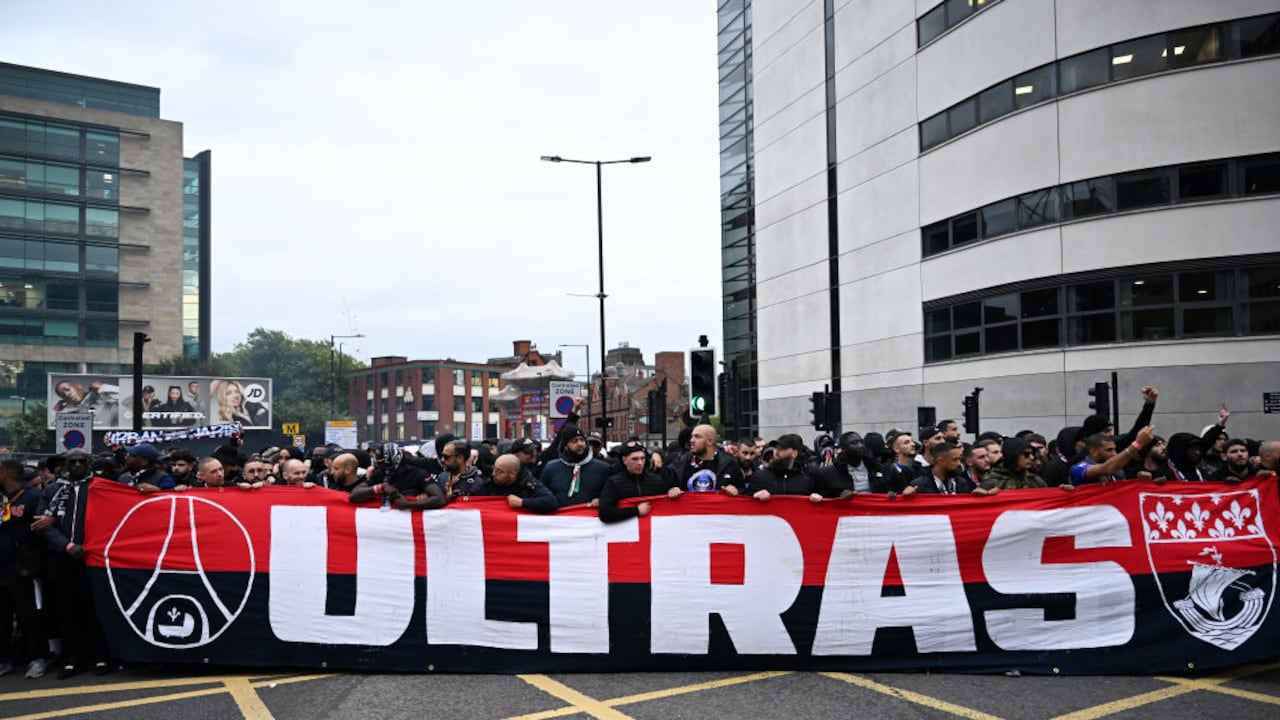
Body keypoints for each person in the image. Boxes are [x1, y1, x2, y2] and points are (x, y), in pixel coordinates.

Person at [33, 451, 111, 679]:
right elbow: (42, 524)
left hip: (92, 558)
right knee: (66, 610)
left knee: (94, 608)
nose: (77, 465)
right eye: (72, 462)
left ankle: (100, 656)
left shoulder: (99, 488)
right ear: (65, 465)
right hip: (62, 558)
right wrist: (67, 545)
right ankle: (73, 659)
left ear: (89, 464)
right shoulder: (52, 490)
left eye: (82, 462)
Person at [0, 459, 48, 679]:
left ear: (5, 474)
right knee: (2, 615)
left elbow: (42, 531)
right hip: (2, 565)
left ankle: (37, 658)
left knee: (28, 613)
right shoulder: (2, 498)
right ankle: (4, 660)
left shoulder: (33, 496)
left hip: (25, 568)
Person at [351, 442, 445, 509]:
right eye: (379, 465)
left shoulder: (418, 474)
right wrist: (380, 488)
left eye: (385, 465)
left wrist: (407, 504)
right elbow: (354, 495)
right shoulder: (379, 473)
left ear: (396, 462)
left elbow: (439, 498)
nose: (382, 469)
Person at [542, 424, 613, 507]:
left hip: (590, 517)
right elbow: (542, 496)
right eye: (574, 441)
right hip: (560, 517)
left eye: (582, 440)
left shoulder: (603, 468)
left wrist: (602, 500)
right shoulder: (551, 468)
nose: (580, 444)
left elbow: (613, 495)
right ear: (565, 446)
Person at [665, 424, 743, 498]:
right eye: (692, 437)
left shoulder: (729, 464)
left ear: (710, 441)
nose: (692, 440)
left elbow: (744, 490)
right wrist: (671, 489)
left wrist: (735, 490)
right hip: (690, 510)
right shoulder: (680, 463)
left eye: (697, 437)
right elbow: (663, 484)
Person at [599, 441, 667, 523]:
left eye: (642, 458)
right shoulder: (614, 482)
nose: (640, 463)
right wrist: (636, 511)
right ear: (624, 460)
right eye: (635, 459)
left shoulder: (657, 480)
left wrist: (672, 490)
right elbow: (605, 513)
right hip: (626, 533)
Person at [749, 434, 824, 503]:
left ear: (794, 453)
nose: (776, 452)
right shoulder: (760, 476)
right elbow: (746, 501)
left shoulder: (808, 478)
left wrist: (818, 498)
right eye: (775, 448)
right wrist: (755, 496)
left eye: (781, 449)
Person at [905, 441, 995, 496]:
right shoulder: (919, 486)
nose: (959, 464)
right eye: (955, 460)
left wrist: (986, 493)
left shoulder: (963, 483)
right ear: (940, 460)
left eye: (959, 459)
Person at [1071, 427, 1155, 485]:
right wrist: (1137, 444)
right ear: (1094, 451)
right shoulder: (1079, 468)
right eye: (1109, 450)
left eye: (1114, 449)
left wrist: (1138, 481)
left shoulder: (1118, 472)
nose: (1114, 454)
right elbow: (1107, 468)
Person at [475, 454, 556, 513]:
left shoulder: (528, 483)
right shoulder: (490, 484)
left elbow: (551, 502)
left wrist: (523, 502)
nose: (494, 474)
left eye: (500, 471)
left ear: (513, 474)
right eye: (494, 469)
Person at [51, 379, 119, 428]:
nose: (67, 394)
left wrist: (102, 387)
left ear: (79, 386)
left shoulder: (102, 396)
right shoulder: (75, 414)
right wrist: (54, 410)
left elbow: (126, 396)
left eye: (68, 389)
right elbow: (54, 426)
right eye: (63, 395)